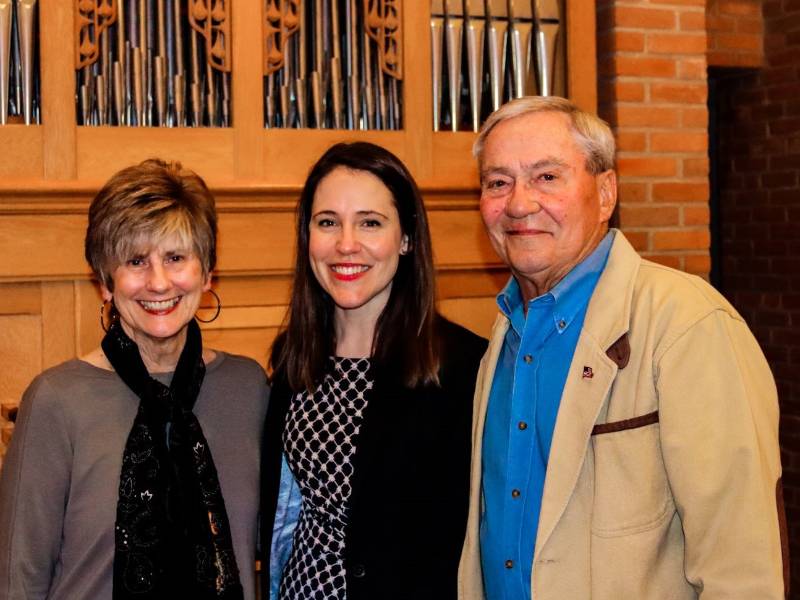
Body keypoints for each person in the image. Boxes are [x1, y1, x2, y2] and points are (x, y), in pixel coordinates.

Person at [458, 97, 787, 599]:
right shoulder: (503, 335)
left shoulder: (687, 323)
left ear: (606, 191)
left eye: (547, 177)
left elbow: (741, 565)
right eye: (498, 182)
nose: (520, 203)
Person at [0, 159, 268, 599]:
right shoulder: (56, 400)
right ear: (105, 281)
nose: (159, 282)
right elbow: (18, 581)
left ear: (207, 272)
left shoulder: (248, 389)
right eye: (136, 260)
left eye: (176, 257)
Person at [260, 142, 487, 600]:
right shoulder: (293, 356)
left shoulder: (465, 365)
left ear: (405, 238)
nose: (347, 243)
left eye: (370, 222)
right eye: (328, 222)